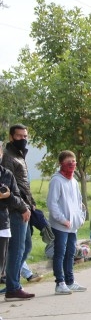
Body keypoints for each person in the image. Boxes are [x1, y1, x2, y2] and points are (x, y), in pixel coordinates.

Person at [1, 124, 35, 300]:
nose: (23, 139)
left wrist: (31, 204)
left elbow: (24, 184)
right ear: (11, 136)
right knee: (17, 248)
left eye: (25, 136)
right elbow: (11, 188)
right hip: (15, 209)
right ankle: (12, 287)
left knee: (26, 246)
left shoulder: (19, 155)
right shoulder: (7, 157)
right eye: (20, 136)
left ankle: (10, 280)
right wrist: (22, 206)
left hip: (25, 206)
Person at [47, 151, 87, 295]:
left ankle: (70, 281)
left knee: (71, 253)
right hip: (60, 225)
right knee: (60, 253)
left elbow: (79, 202)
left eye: (74, 161)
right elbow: (52, 204)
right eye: (68, 161)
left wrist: (80, 218)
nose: (71, 164)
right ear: (61, 164)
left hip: (73, 225)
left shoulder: (74, 182)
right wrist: (63, 220)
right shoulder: (56, 181)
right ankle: (60, 283)